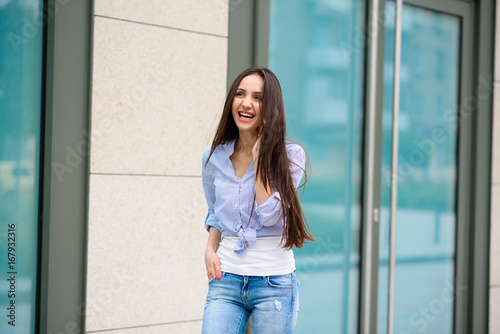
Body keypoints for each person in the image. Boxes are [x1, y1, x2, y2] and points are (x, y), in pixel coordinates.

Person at [201, 66, 314, 334]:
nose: (246, 103)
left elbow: (271, 214)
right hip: (226, 279)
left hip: (274, 283)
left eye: (258, 97)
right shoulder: (213, 156)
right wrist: (209, 248)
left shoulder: (292, 156)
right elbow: (215, 210)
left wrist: (260, 156)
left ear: (270, 108)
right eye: (240, 94)